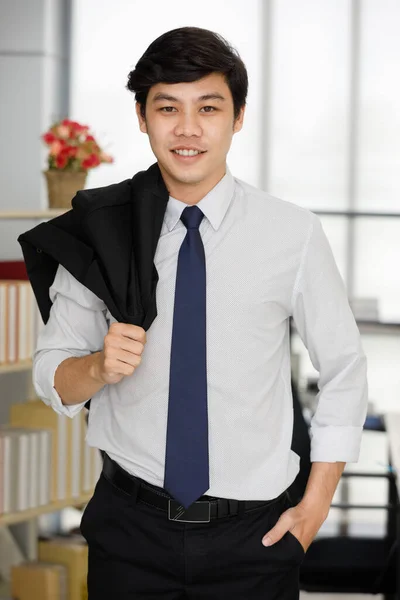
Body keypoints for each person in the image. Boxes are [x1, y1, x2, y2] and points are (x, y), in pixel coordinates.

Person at [31, 26, 368, 600]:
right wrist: (98, 369)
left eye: (208, 108)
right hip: (130, 533)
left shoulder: (292, 233)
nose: (187, 129)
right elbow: (51, 374)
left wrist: (313, 510)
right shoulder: (103, 231)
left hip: (255, 539)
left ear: (237, 117)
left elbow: (344, 369)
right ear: (143, 117)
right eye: (168, 108)